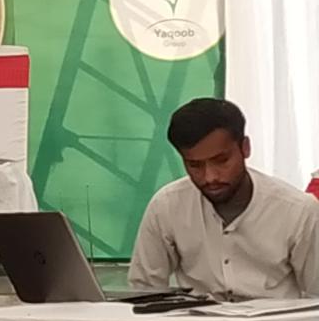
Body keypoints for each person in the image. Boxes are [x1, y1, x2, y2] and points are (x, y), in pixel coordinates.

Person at [129, 97, 319, 300]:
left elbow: (316, 296)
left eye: (221, 161)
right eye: (195, 165)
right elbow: (145, 291)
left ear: (245, 148)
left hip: (278, 320)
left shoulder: (298, 210)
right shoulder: (166, 206)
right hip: (194, 320)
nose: (210, 177)